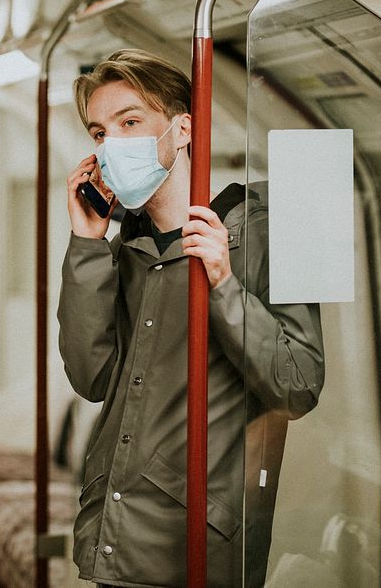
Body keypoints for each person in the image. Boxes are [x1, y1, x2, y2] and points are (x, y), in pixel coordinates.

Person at [57, 49, 326, 587]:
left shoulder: (280, 221)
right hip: (116, 538)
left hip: (196, 546)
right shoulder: (126, 245)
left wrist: (223, 282)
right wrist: (87, 245)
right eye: (99, 133)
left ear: (182, 129)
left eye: (130, 122)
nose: (111, 145)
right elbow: (93, 381)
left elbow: (298, 386)